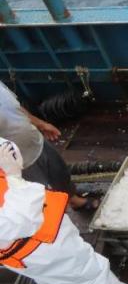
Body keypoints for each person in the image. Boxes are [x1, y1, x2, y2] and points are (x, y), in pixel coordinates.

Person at [0, 138, 128, 284]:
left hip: (20, 255)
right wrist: (14, 177)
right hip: (41, 243)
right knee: (89, 272)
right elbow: (21, 220)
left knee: (48, 278)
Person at [0, 81, 97, 212]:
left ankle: (73, 200)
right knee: (40, 198)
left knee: (60, 173)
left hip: (36, 141)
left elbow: (14, 107)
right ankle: (59, 218)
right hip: (18, 163)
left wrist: (41, 124)